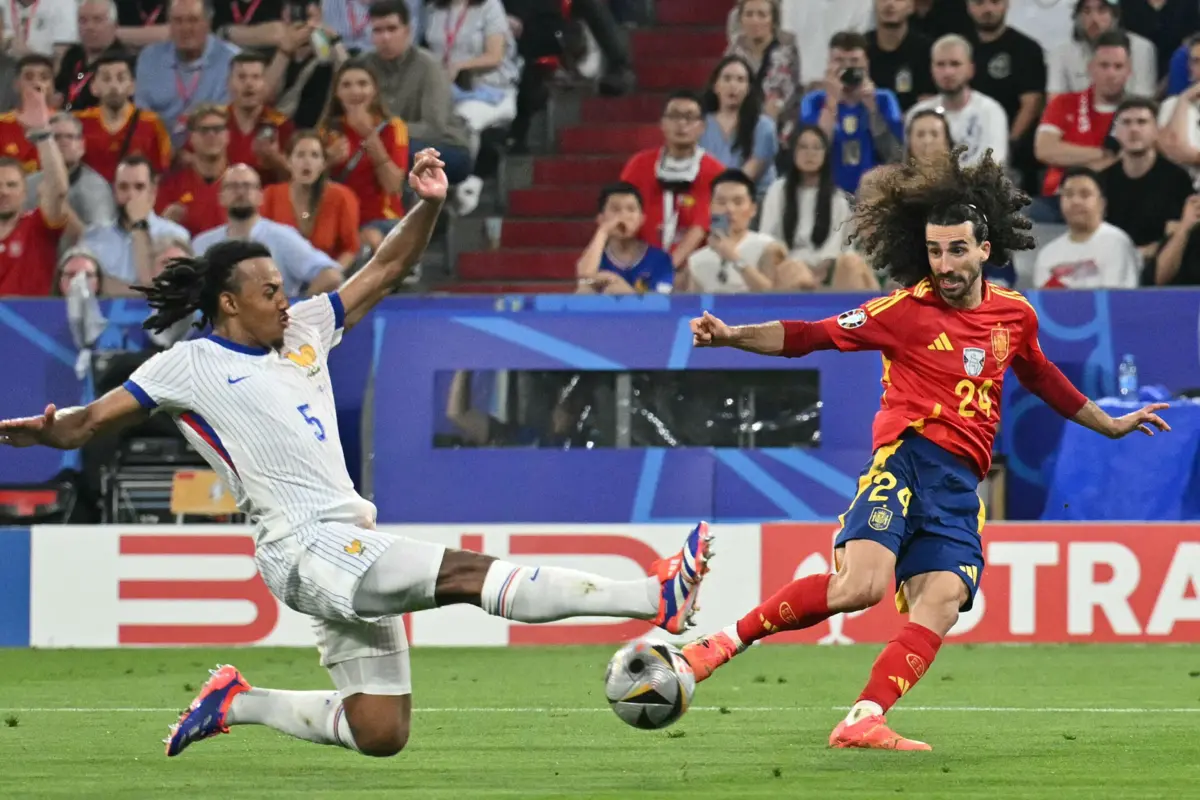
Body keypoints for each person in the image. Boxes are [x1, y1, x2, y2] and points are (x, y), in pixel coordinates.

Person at [0, 148, 714, 759]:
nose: (286, 299)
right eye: (270, 291)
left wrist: (428, 204)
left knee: (381, 730)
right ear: (227, 303)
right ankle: (653, 596)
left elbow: (386, 267)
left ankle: (236, 703)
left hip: (348, 541)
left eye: (284, 287)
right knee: (467, 574)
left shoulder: (306, 328)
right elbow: (87, 423)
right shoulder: (186, 365)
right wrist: (45, 430)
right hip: (303, 547)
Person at [679, 146, 1170, 750]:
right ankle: (720, 643)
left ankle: (863, 718)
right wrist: (730, 335)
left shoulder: (1013, 316)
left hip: (961, 483)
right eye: (935, 250)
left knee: (942, 600)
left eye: (957, 249)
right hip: (906, 461)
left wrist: (1110, 423)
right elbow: (812, 335)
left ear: (985, 250)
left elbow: (1042, 377)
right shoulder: (904, 311)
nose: (945, 263)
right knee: (861, 587)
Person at [262, 130, 362, 270]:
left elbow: (351, 249)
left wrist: (332, 274)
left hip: (327, 278)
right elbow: (259, 244)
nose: (307, 162)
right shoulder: (270, 195)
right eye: (300, 155)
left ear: (322, 164)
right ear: (288, 161)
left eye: (314, 155)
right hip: (280, 277)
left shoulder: (342, 196)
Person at [575, 182, 674, 295]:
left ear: (641, 219)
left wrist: (617, 283)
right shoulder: (596, 257)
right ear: (601, 218)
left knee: (614, 289)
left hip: (644, 312)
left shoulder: (660, 258)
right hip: (606, 311)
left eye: (631, 209)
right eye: (615, 210)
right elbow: (584, 276)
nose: (623, 216)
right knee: (584, 290)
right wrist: (603, 231)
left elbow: (660, 303)